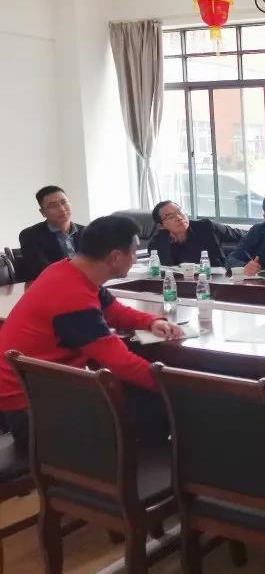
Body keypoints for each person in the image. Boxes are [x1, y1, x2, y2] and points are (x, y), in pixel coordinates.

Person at [0, 215, 185, 452]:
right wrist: (180, 389)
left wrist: (151, 321)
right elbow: (120, 363)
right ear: (115, 257)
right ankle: (136, 469)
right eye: (133, 252)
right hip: (34, 413)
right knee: (161, 407)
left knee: (146, 397)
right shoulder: (71, 296)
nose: (135, 258)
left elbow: (114, 311)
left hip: (44, 393)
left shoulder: (67, 270)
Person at [147, 200, 244, 268]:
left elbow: (242, 235)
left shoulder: (206, 227)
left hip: (218, 280)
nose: (179, 218)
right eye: (171, 217)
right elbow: (165, 270)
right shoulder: (157, 243)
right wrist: (164, 239)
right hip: (181, 285)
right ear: (161, 225)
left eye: (180, 212)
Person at [18, 185, 85, 281]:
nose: (62, 209)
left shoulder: (87, 232)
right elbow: (42, 269)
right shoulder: (30, 235)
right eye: (53, 206)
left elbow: (97, 262)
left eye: (64, 202)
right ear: (43, 212)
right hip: (54, 285)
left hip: (88, 283)